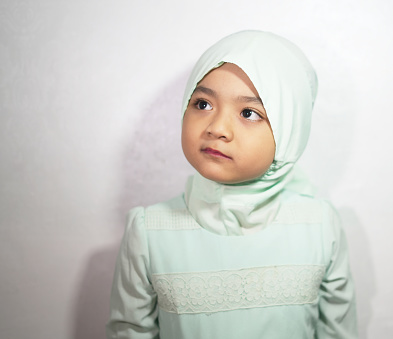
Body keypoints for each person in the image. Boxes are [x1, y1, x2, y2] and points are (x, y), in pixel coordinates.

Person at [107, 30, 358, 339]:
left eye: (249, 113)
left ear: (290, 130)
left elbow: (339, 332)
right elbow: (129, 331)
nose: (217, 128)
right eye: (202, 104)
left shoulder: (319, 226)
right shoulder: (149, 231)